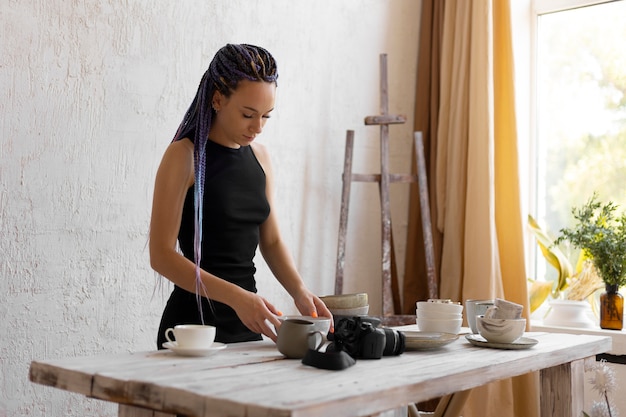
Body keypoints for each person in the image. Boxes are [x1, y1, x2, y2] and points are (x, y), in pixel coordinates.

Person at [149, 44, 332, 348]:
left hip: (248, 325)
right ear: (217, 98)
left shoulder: (260, 158)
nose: (258, 127)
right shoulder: (184, 156)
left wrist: (300, 291)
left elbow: (271, 241)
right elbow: (161, 256)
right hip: (193, 332)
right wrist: (238, 298)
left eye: (266, 116)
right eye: (248, 114)